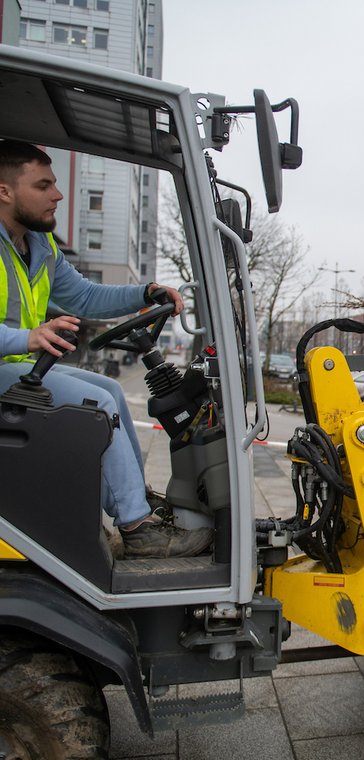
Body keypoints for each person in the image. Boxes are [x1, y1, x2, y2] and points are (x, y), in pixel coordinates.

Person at [0, 140, 212, 559]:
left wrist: (144, 293)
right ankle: (136, 528)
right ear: (4, 191)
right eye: (43, 185)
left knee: (110, 390)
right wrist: (27, 338)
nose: (57, 195)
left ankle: (139, 505)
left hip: (19, 370)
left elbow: (84, 296)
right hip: (12, 367)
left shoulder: (39, 247)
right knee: (96, 403)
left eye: (55, 184)